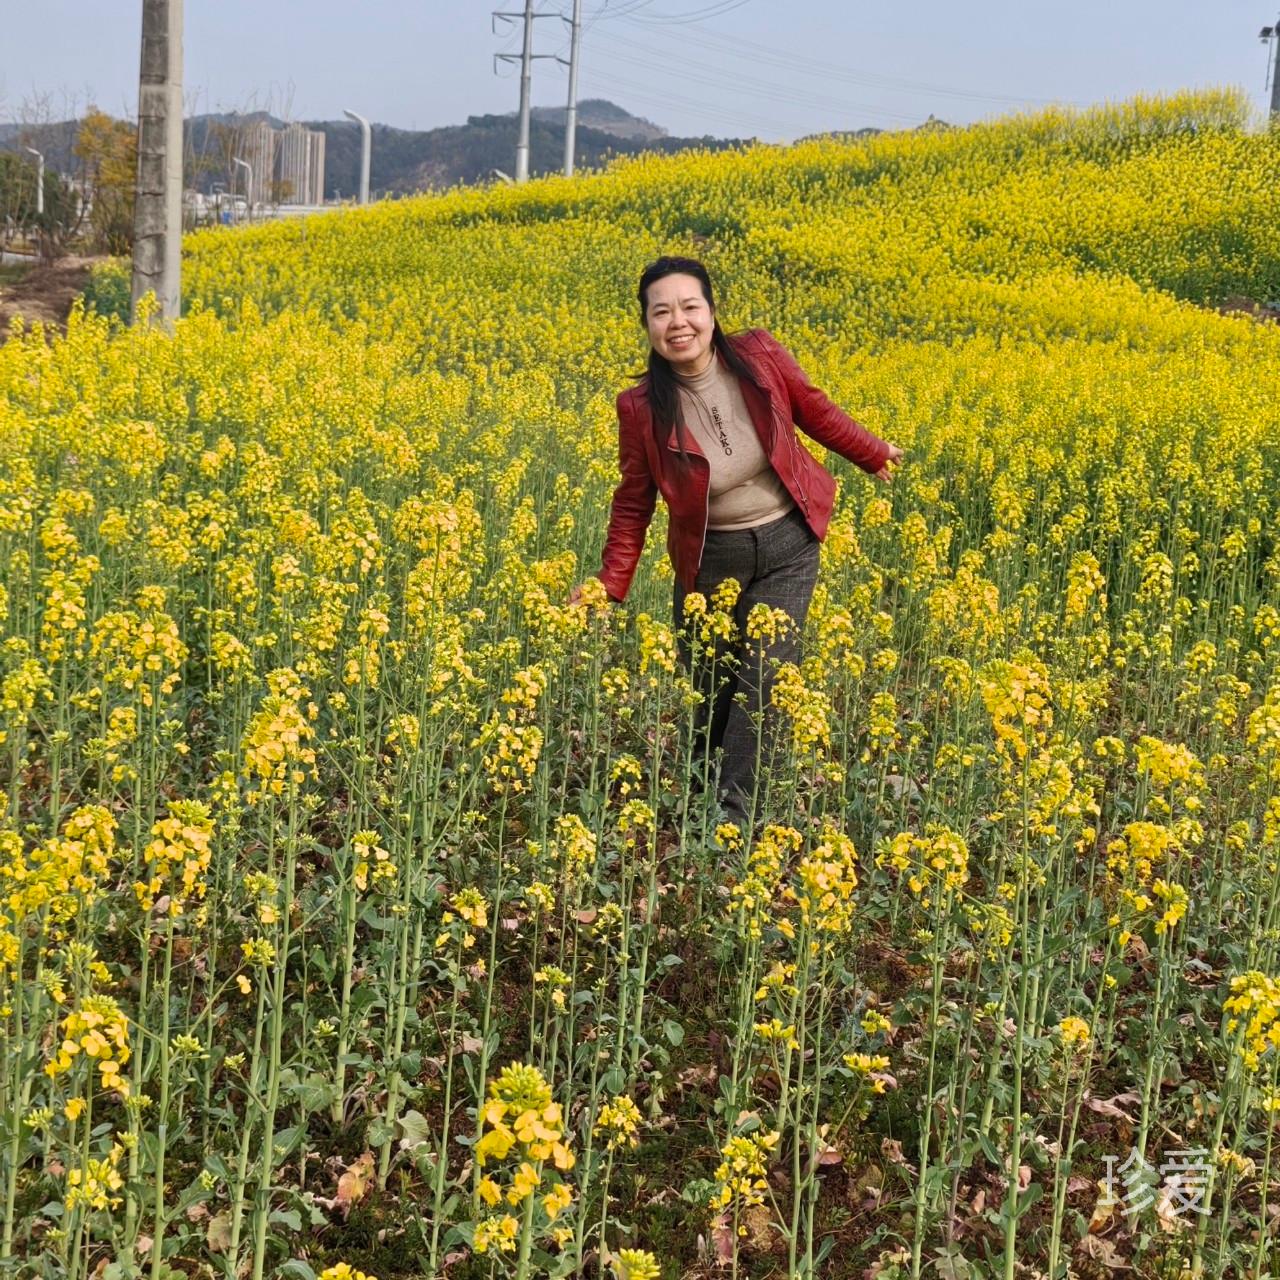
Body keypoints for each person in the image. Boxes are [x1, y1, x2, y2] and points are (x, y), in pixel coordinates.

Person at [572, 255, 903, 828]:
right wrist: (610, 583)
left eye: (690, 306)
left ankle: (729, 822)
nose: (679, 321)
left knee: (764, 681)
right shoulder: (641, 407)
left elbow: (813, 409)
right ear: (647, 325)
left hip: (788, 547)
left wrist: (870, 451)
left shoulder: (758, 356)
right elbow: (634, 499)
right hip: (709, 560)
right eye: (662, 311)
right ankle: (702, 788)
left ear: (711, 311)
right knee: (712, 689)